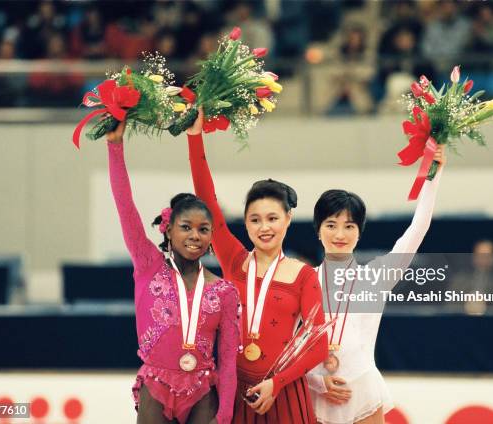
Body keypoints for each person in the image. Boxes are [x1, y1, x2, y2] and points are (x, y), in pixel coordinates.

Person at [186, 109, 328, 423]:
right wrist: (194, 138)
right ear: (246, 224)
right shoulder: (234, 260)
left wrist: (276, 384)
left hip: (283, 393)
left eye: (273, 218)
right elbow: (206, 200)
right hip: (231, 391)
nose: (265, 227)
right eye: (255, 219)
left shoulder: (303, 276)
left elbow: (319, 345)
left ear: (288, 220)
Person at [106, 121, 239, 424]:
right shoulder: (148, 266)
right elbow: (125, 207)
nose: (195, 236)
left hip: (203, 390)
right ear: (168, 231)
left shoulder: (224, 292)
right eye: (186, 227)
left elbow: (229, 359)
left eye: (203, 229)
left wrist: (226, 413)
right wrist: (115, 147)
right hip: (157, 384)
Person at [306, 147, 447, 424]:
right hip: (316, 392)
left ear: (359, 233)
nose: (340, 234)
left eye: (349, 226)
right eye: (331, 225)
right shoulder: (302, 280)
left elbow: (418, 228)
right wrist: (317, 382)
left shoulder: (376, 276)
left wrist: (434, 174)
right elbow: (289, 346)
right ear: (318, 229)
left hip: (362, 391)